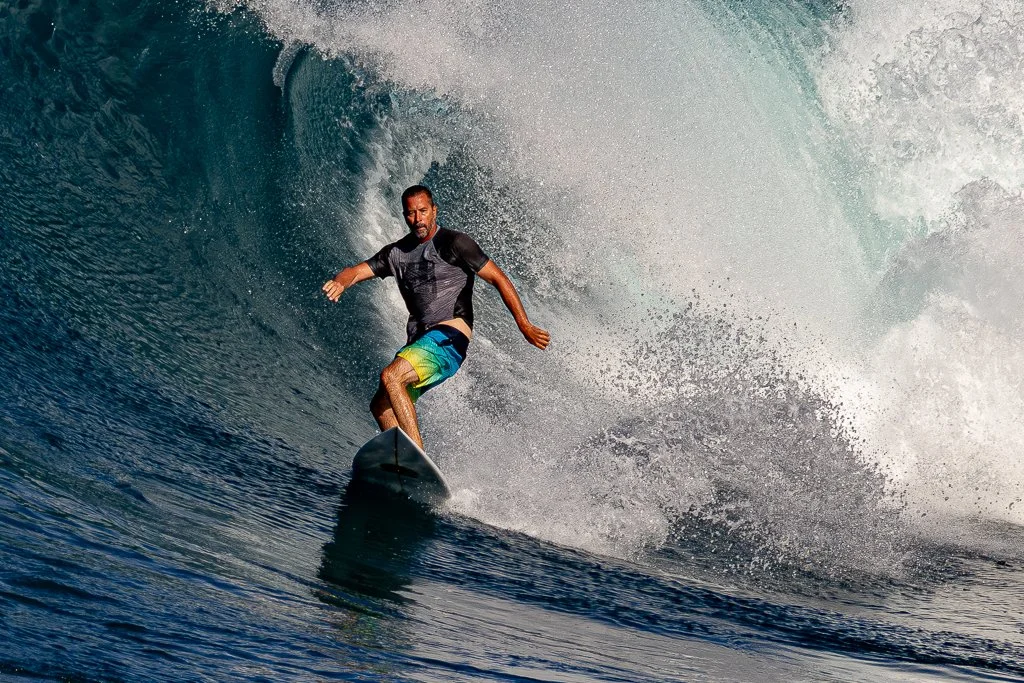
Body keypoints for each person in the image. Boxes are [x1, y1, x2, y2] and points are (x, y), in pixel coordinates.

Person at [322, 185, 550, 450]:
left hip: (450, 336)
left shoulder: (455, 243)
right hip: (420, 341)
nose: (417, 219)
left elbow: (498, 278)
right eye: (411, 213)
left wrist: (523, 324)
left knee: (391, 376)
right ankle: (403, 463)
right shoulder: (396, 253)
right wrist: (340, 282)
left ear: (434, 210)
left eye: (422, 211)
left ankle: (415, 453)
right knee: (380, 404)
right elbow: (355, 271)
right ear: (405, 215)